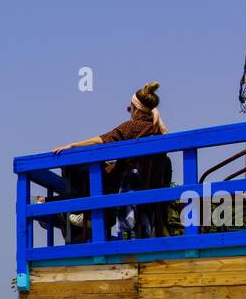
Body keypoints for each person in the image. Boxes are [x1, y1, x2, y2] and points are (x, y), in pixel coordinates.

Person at [51, 81, 168, 241]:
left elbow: (102, 140)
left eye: (130, 108)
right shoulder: (158, 130)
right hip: (152, 183)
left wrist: (73, 144)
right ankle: (91, 215)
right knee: (103, 174)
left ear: (136, 109)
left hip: (128, 180)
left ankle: (89, 216)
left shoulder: (132, 127)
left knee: (88, 172)